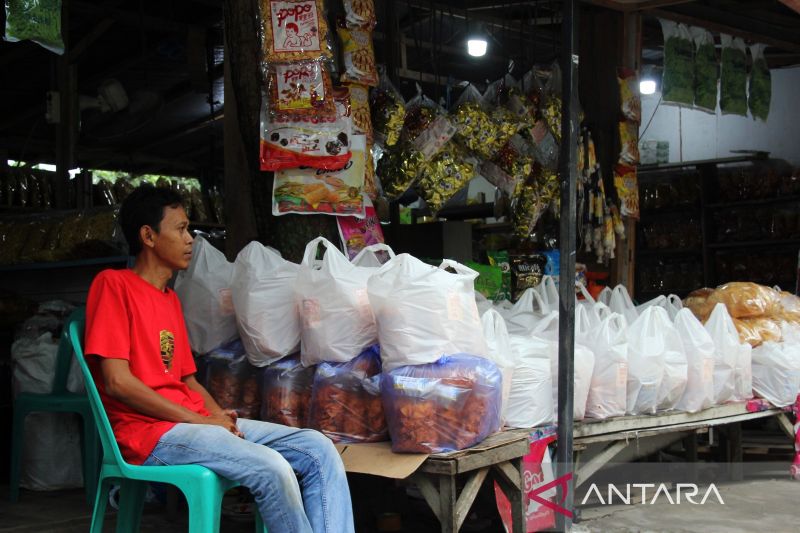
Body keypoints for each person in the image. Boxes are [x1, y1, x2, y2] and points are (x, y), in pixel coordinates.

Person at [84, 184, 354, 533]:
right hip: (149, 434)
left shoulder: (169, 299)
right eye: (180, 229)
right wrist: (199, 421)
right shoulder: (113, 285)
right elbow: (118, 382)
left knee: (318, 449)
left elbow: (187, 381)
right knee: (271, 467)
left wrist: (214, 415)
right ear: (148, 236)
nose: (190, 239)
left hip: (193, 424)